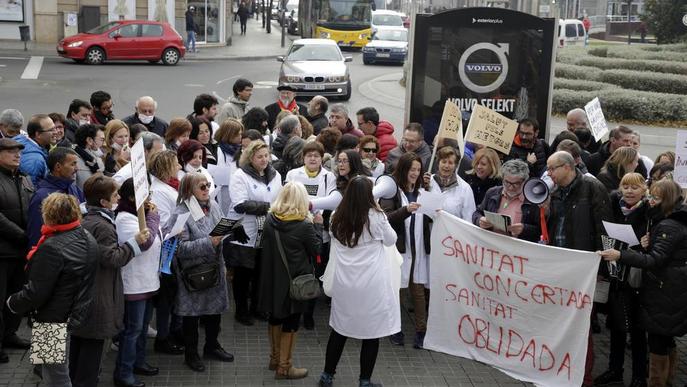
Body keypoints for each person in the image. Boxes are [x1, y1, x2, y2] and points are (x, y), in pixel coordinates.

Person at [598, 179, 687, 387]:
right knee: (662, 340)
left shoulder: (667, 224)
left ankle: (656, 381)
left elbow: (655, 259)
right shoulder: (664, 220)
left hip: (664, 289)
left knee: (657, 341)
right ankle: (664, 379)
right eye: (652, 196)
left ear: (667, 199)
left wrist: (621, 254)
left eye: (655, 197)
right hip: (665, 288)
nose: (651, 201)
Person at [7, 193, 98, 386]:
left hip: (51, 321)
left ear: (48, 215)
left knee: (55, 377)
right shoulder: (87, 237)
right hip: (73, 314)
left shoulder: (51, 247)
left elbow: (35, 292)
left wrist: (11, 302)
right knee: (56, 372)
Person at [70, 174, 150, 387]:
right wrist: (134, 243)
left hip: (72, 304)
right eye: (115, 195)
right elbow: (111, 258)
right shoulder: (102, 226)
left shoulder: (85, 223)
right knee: (85, 356)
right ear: (104, 202)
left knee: (75, 354)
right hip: (86, 300)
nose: (118, 198)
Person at [318, 176, 399, 387]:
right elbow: (391, 240)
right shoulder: (376, 216)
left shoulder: (336, 215)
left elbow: (333, 237)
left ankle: (327, 376)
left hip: (345, 282)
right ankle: (364, 381)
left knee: (339, 330)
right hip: (371, 283)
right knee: (371, 334)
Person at [546, 151, 611, 387]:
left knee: (582, 325)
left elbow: (605, 230)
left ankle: (584, 377)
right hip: (561, 268)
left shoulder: (593, 188)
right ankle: (562, 370)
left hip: (584, 271)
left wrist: (601, 266)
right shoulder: (554, 194)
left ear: (568, 167)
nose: (549, 174)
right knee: (562, 322)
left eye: (552, 169)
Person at [166, 172, 234, 372]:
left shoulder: (213, 206)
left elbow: (221, 228)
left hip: (215, 270)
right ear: (188, 191)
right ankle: (191, 354)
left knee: (215, 313)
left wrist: (231, 231)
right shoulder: (180, 213)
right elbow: (180, 249)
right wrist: (209, 242)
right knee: (192, 317)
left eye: (208, 185)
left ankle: (212, 346)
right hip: (192, 275)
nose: (207, 190)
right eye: (201, 187)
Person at [258, 182, 322, 379]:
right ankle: (285, 367)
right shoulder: (304, 225)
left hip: (273, 279)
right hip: (295, 282)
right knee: (292, 322)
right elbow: (317, 250)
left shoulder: (270, 219)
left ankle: (274, 358)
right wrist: (318, 226)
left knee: (276, 317)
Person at [593, 172, 648, 387]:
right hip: (615, 273)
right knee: (616, 325)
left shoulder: (648, 212)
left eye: (635, 187)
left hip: (636, 278)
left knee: (636, 330)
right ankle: (614, 370)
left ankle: (638, 376)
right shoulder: (614, 206)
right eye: (626, 186)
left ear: (644, 189)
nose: (629, 191)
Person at [226, 140, 283, 325]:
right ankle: (241, 311)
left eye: (266, 155)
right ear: (250, 158)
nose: (264, 159)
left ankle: (257, 308)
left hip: (266, 231)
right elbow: (240, 204)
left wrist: (275, 208)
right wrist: (270, 207)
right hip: (245, 231)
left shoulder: (276, 175)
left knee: (261, 272)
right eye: (259, 156)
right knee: (243, 275)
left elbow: (281, 199)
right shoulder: (240, 175)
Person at [380, 153, 432, 349]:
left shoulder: (423, 192)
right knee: (398, 290)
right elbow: (385, 218)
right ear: (403, 169)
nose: (415, 173)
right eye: (412, 170)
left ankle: (421, 330)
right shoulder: (393, 191)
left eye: (418, 170)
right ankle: (394, 329)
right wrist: (406, 210)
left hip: (418, 249)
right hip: (399, 249)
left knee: (417, 290)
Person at [114, 178, 162, 387]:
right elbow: (144, 242)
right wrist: (153, 217)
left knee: (140, 328)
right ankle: (122, 373)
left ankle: (137, 363)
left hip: (148, 280)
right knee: (132, 330)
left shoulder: (137, 214)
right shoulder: (125, 218)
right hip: (52, 316)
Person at [284, 141, 336, 329]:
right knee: (296, 271)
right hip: (296, 229)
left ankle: (309, 313)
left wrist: (318, 215)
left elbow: (332, 200)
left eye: (316, 155)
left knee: (315, 272)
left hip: (317, 231)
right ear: (303, 158)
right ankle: (294, 311)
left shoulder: (328, 176)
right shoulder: (292, 174)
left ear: (322, 157)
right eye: (309, 155)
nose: (313, 159)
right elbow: (287, 197)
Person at [147, 150, 184, 355]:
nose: (179, 166)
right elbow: (160, 225)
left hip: (51, 315)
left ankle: (46, 373)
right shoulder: (160, 192)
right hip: (51, 318)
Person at [0, 138, 34, 362]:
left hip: (22, 248)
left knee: (15, 296)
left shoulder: (23, 178)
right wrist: (21, 235)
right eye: (11, 151)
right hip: (4, 249)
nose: (17, 155)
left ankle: (10, 334)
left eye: (19, 152)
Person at [26, 147, 84, 247]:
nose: (77, 168)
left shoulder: (73, 188)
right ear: (58, 167)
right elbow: (36, 234)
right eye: (73, 164)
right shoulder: (41, 196)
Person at [472, 159, 540, 242]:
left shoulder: (532, 200)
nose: (511, 187)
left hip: (517, 249)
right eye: (507, 182)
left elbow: (540, 231)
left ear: (524, 182)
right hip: (490, 245)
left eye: (516, 184)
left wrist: (524, 229)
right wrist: (480, 220)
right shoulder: (492, 193)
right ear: (502, 179)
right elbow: (477, 213)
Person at [427, 146, 476, 221]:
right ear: (438, 163)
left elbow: (468, 218)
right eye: (443, 162)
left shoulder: (465, 188)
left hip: (452, 231)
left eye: (450, 163)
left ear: (456, 165)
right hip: (428, 231)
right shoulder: (428, 182)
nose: (446, 166)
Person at [14, 114, 55, 185]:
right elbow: (31, 191)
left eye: (55, 128)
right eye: (51, 130)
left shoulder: (19, 139)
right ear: (38, 134)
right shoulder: (35, 161)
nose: (56, 132)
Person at [213, 118, 243, 214]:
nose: (240, 137)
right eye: (237, 134)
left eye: (241, 134)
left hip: (238, 189)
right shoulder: (218, 151)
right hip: (224, 191)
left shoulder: (240, 150)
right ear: (229, 135)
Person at [73, 124, 106, 190]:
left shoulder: (95, 158)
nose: (104, 144)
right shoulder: (74, 161)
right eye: (102, 140)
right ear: (89, 140)